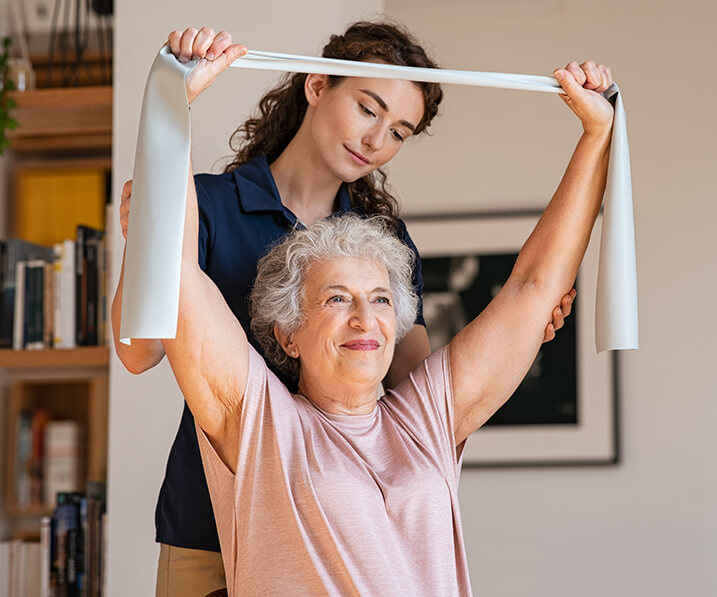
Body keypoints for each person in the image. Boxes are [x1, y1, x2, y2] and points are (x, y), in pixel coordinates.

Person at [113, 22, 577, 596]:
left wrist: (519, 334)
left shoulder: (384, 244)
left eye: (399, 130)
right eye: (367, 108)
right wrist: (151, 241)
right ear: (316, 86)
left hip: (342, 512)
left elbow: (413, 386)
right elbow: (138, 352)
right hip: (208, 517)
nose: (377, 138)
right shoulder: (206, 204)